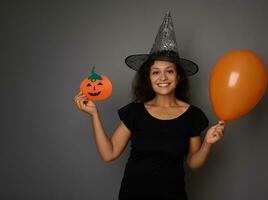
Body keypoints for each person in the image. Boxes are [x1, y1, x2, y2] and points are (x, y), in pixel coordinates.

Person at [73, 11, 225, 200]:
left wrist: (207, 144)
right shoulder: (135, 112)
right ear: (149, 78)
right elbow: (109, 153)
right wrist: (94, 114)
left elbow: (193, 164)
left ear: (178, 77)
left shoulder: (193, 115)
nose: (162, 78)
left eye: (169, 71)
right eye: (156, 72)